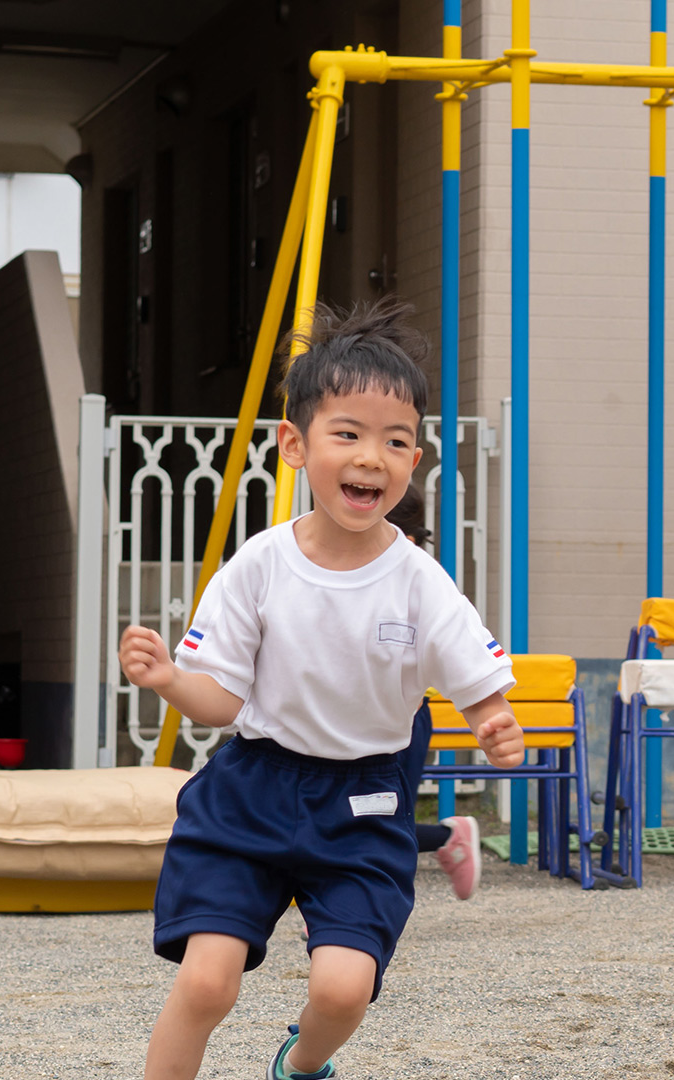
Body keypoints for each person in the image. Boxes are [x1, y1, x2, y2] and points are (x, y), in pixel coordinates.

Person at [120, 299, 525, 1080]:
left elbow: (475, 677)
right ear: (296, 446)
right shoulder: (259, 568)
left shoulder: (419, 582)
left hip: (364, 802)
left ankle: (302, 1066)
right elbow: (223, 704)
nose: (373, 456)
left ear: (415, 460)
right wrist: (170, 679)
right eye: (349, 434)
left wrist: (494, 720)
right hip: (253, 790)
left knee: (344, 990)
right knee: (207, 983)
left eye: (396, 441)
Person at [386, 488, 484, 902]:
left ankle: (353, 899)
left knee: (383, 816)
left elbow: (462, 651)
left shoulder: (420, 581)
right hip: (343, 718)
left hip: (402, 718)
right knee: (349, 815)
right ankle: (447, 837)